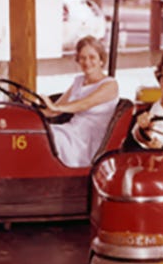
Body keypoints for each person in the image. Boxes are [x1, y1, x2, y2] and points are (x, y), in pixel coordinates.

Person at [44, 35, 120, 167]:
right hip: (72, 131)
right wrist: (30, 109)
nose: (87, 62)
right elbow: (53, 110)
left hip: (89, 140)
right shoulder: (78, 81)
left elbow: (84, 104)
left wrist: (56, 108)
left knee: (47, 138)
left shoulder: (110, 85)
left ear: (101, 60)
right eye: (82, 58)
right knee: (38, 134)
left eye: (92, 57)